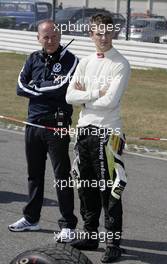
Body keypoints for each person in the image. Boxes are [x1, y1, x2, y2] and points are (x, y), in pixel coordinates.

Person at [66, 14, 130, 262]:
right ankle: (91, 235)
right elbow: (69, 96)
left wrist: (85, 97)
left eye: (107, 32)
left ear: (113, 33)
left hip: (109, 133)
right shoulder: (85, 61)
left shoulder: (120, 64)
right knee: (86, 187)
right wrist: (94, 93)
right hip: (83, 131)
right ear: (90, 34)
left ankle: (113, 243)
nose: (103, 38)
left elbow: (110, 101)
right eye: (97, 33)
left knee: (111, 190)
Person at [8, 19, 78, 242]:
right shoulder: (32, 58)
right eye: (46, 37)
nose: (50, 41)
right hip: (33, 124)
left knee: (62, 176)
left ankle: (68, 225)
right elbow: (20, 87)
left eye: (55, 37)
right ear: (38, 37)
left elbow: (61, 87)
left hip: (56, 125)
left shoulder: (71, 60)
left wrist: (35, 86)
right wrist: (42, 86)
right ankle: (31, 219)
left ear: (60, 37)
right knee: (34, 174)